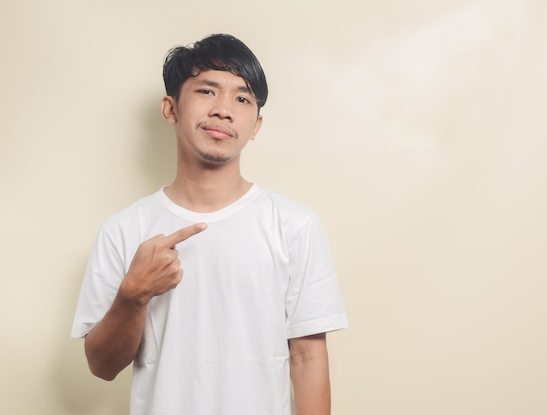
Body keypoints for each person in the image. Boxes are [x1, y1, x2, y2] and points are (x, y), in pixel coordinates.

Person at [71, 33, 348, 415]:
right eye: (206, 91)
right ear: (170, 109)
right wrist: (133, 295)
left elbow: (308, 358)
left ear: (256, 124)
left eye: (242, 98)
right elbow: (101, 367)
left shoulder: (295, 225)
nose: (224, 110)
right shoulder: (123, 230)